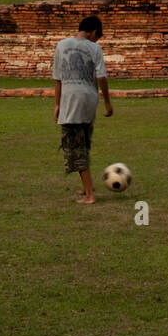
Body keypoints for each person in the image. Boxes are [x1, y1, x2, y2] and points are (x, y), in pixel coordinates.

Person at [52, 14, 112, 204]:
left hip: (71, 100)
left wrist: (57, 104)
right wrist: (107, 102)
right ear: (94, 32)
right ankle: (88, 186)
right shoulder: (95, 48)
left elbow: (58, 78)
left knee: (75, 147)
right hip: (89, 100)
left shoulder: (61, 45)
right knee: (83, 143)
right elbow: (101, 77)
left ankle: (90, 196)